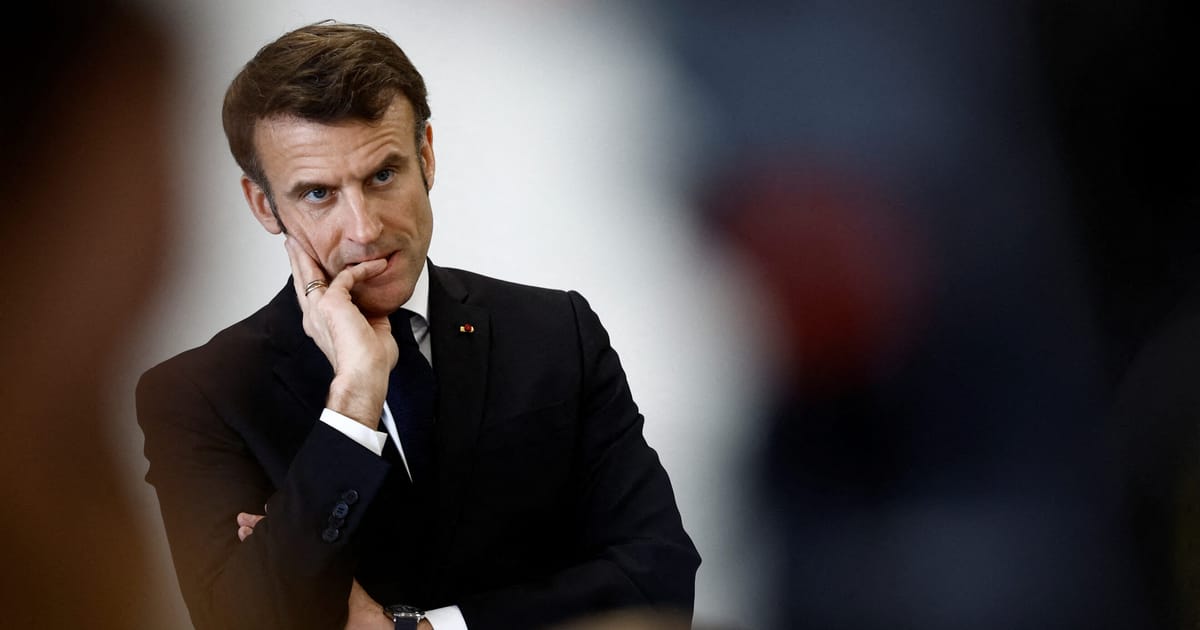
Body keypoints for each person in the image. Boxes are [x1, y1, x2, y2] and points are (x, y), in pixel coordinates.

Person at [135, 19, 699, 630]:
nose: (365, 229)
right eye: (318, 194)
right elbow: (241, 620)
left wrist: (424, 627)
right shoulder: (199, 397)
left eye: (382, 175)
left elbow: (657, 576)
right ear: (263, 204)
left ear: (426, 156)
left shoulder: (557, 332)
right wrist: (351, 406)